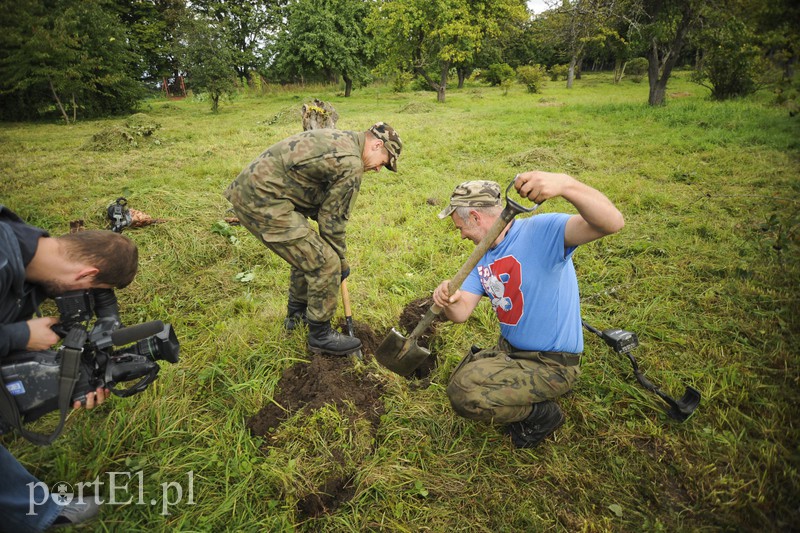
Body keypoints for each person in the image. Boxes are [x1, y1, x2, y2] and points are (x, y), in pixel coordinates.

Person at [432, 173, 624, 448]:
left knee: (464, 393)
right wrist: (449, 302)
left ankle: (542, 415)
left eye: (460, 226)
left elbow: (613, 222)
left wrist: (564, 185)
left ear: (475, 217)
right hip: (511, 352)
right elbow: (461, 313)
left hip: (552, 364)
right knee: (462, 376)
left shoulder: (542, 232)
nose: (461, 235)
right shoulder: (482, 257)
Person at [0, 205, 138, 531]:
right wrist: (21, 335)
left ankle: (37, 513)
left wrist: (68, 382)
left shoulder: (33, 260)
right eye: (89, 291)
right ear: (85, 274)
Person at [224, 122, 403, 356]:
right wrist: (341, 261)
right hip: (264, 201)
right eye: (384, 161)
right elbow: (333, 219)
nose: (380, 169)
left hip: (260, 191)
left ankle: (296, 316)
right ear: (377, 145)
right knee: (325, 262)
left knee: (309, 252)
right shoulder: (351, 163)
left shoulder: (345, 139)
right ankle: (320, 335)